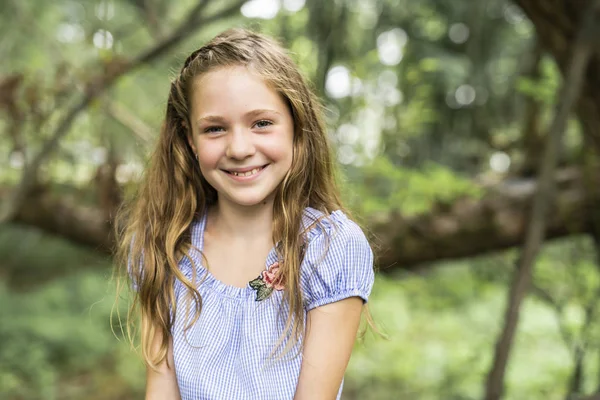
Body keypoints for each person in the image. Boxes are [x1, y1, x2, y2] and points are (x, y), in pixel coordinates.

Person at [115, 28, 376, 400]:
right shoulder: (165, 247)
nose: (239, 148)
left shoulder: (327, 248)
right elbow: (161, 388)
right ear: (190, 139)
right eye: (215, 129)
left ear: (296, 127)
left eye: (262, 123)